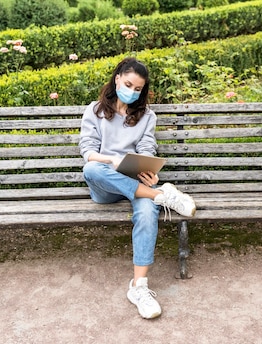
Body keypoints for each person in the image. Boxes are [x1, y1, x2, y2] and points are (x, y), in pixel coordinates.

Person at [79, 57, 196, 319]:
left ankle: (139, 287)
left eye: (138, 88)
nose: (131, 91)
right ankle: (162, 196)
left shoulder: (147, 117)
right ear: (117, 77)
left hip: (135, 182)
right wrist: (111, 159)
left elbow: (146, 149)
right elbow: (87, 153)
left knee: (146, 212)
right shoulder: (95, 111)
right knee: (92, 169)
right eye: (128, 84)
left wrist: (148, 171)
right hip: (105, 185)